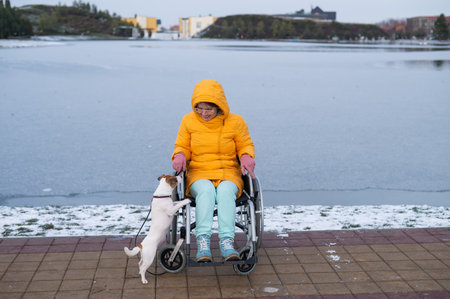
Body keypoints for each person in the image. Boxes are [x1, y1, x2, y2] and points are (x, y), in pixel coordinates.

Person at [171, 80, 255, 262]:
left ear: (219, 106)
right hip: (198, 172)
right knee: (206, 191)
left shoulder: (235, 121)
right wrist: (179, 155)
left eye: (208, 109)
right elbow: (182, 145)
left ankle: (226, 242)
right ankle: (203, 243)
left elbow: (245, 144)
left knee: (225, 192)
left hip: (228, 172)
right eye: (199, 108)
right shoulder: (188, 120)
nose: (203, 113)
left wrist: (247, 156)